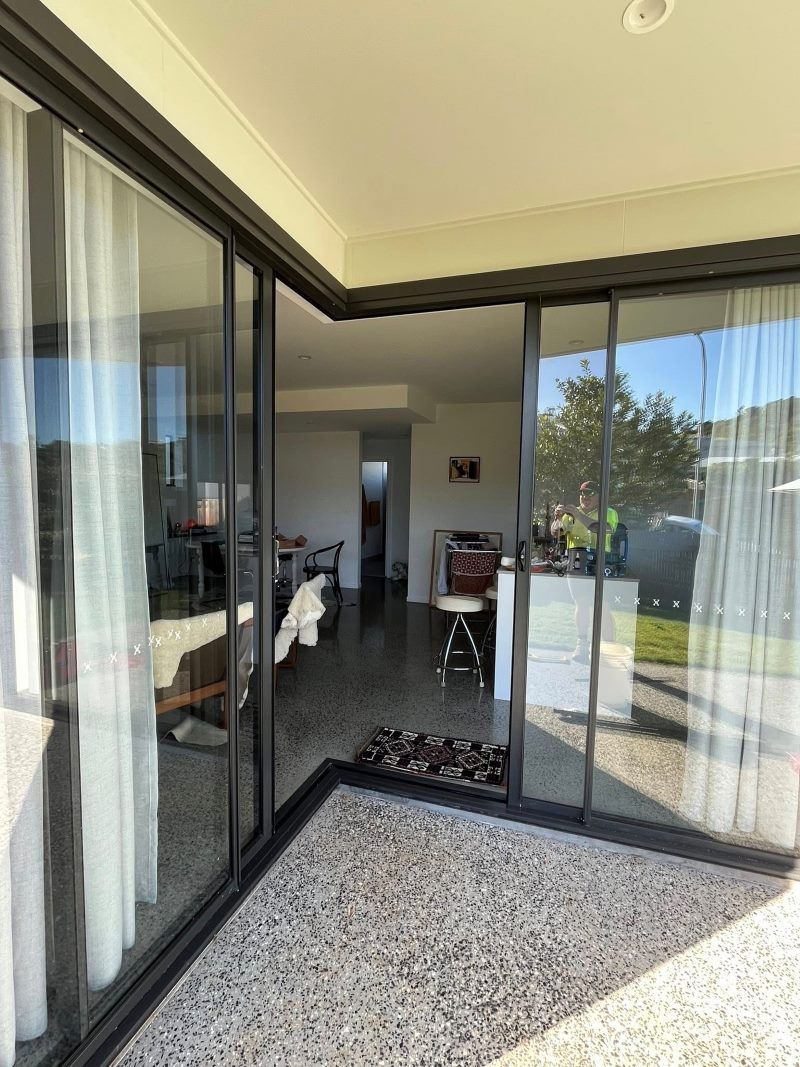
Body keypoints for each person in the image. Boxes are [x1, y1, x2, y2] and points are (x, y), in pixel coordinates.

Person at [551, 480, 618, 663]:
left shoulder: (608, 512)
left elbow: (603, 529)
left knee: (603, 607)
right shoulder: (571, 514)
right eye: (582, 494)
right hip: (577, 560)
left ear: (599, 496)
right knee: (581, 603)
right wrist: (557, 518)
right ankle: (582, 645)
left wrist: (578, 514)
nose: (585, 497)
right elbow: (556, 533)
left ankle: (610, 649)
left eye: (590, 494)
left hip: (601, 561)